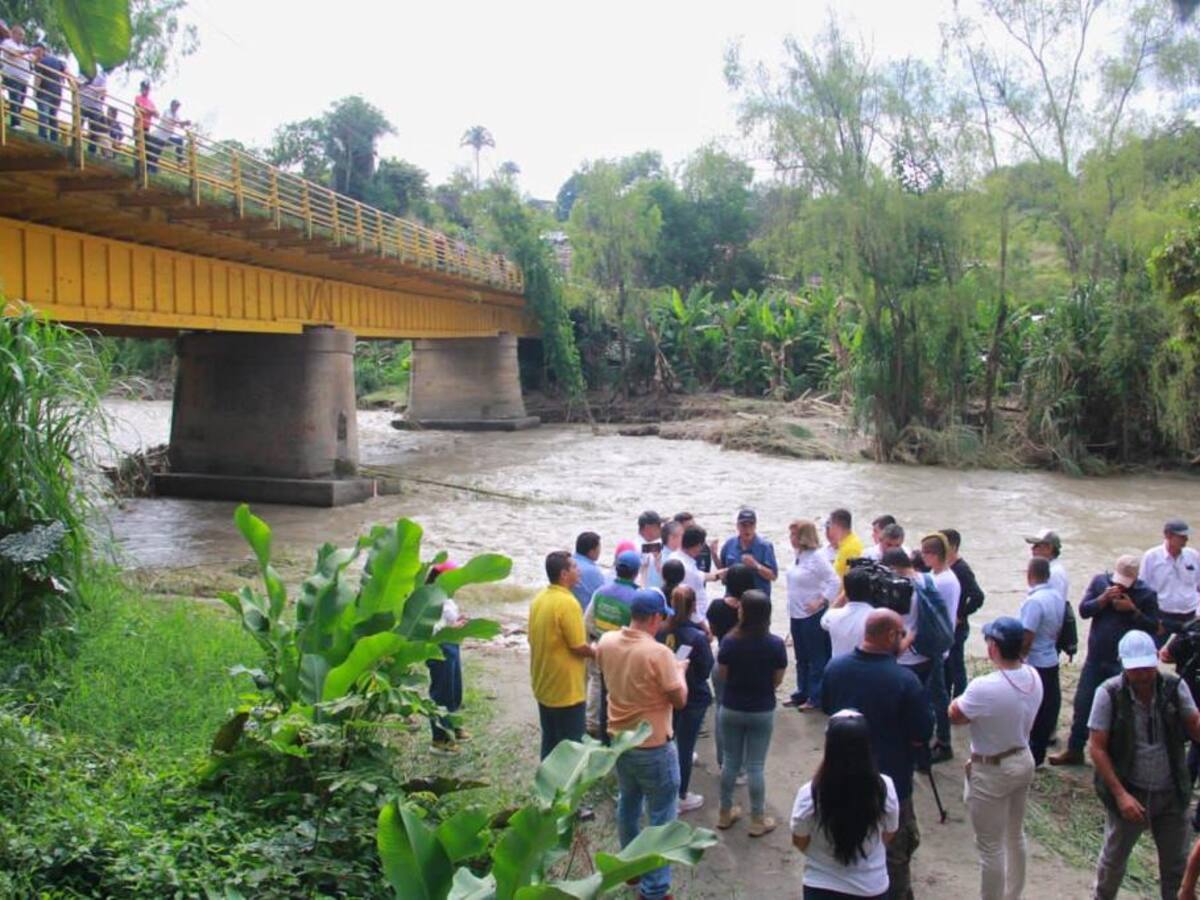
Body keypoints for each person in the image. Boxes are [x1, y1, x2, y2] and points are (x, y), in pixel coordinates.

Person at [823, 608, 933, 900]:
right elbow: (922, 732)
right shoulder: (905, 680)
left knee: (843, 839)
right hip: (892, 779)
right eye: (901, 634)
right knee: (895, 850)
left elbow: (827, 708)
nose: (904, 639)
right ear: (889, 636)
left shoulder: (835, 667)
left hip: (841, 774)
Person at [1089, 630, 1200, 899]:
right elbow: (1097, 748)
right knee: (1113, 863)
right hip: (1131, 792)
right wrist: (1120, 795)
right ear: (1124, 666)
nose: (1143, 675)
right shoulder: (1108, 694)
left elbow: (1194, 726)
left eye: (1148, 668)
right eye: (1136, 670)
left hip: (1171, 792)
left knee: (1175, 865)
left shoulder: (1174, 687)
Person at [596, 589, 688, 900]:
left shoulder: (606, 642)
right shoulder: (658, 653)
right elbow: (680, 699)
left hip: (620, 739)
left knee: (629, 804)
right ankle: (656, 889)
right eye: (662, 616)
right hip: (653, 744)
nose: (663, 622)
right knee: (662, 816)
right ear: (653, 618)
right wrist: (680, 671)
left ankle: (630, 870)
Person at [949, 616, 1042, 900]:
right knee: (1015, 834)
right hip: (1023, 757)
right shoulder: (1033, 675)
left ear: (994, 647)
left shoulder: (985, 686)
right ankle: (1013, 894)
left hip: (992, 767)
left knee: (990, 847)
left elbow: (956, 715)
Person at [1051, 555, 1159, 768]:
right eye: (1117, 581)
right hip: (1095, 658)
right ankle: (1075, 750)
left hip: (1123, 664)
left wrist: (1133, 611)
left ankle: (1116, 758)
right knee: (1083, 704)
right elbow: (1083, 610)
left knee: (1121, 711)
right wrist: (1102, 600)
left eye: (1125, 582)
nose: (1119, 586)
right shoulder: (1100, 582)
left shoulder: (1146, 594)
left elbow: (1154, 627)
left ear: (1136, 578)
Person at [791, 709, 900, 900]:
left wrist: (822, 855)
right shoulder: (884, 788)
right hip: (871, 887)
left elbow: (800, 839)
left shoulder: (810, 793)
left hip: (821, 886)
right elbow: (889, 833)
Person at [716, 589, 787, 836]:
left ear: (743, 612)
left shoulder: (729, 641)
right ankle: (757, 817)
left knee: (730, 761)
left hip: (732, 705)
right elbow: (777, 680)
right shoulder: (775, 644)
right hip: (761, 708)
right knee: (755, 765)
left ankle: (725, 811)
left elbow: (722, 674)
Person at [528, 551, 594, 760]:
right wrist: (598, 651)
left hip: (544, 683)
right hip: (566, 689)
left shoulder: (539, 599)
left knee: (550, 738)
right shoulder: (568, 603)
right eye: (574, 567)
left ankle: (546, 784)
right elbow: (577, 646)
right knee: (572, 742)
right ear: (564, 574)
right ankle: (566, 788)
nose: (579, 570)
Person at [658, 585, 714, 813]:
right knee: (686, 744)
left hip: (668, 694)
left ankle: (665, 784)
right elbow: (705, 670)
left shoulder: (660, 630)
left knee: (669, 737)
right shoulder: (697, 637)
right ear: (694, 607)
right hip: (693, 696)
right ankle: (680, 795)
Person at [785, 518, 840, 711]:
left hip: (812, 615)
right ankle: (802, 691)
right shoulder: (798, 555)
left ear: (803, 537)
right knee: (801, 657)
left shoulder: (817, 557)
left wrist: (822, 600)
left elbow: (834, 581)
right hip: (796, 613)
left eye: (794, 534)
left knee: (816, 657)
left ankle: (815, 696)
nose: (791, 538)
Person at [584, 549, 640, 739]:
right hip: (623, 652)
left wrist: (597, 637)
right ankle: (617, 726)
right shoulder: (636, 597)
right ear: (636, 572)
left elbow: (587, 620)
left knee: (597, 683)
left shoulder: (600, 592)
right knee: (620, 689)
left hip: (599, 646)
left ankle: (592, 723)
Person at [708, 563, 755, 772]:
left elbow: (712, 631)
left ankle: (723, 761)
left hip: (721, 658)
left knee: (721, 708)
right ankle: (742, 765)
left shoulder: (716, 606)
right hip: (747, 661)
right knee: (745, 711)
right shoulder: (754, 607)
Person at [918, 534, 961, 763]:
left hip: (935, 644)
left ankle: (943, 742)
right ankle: (938, 736)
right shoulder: (938, 575)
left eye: (924, 553)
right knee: (934, 693)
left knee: (936, 695)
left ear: (934, 555)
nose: (922, 557)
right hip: (938, 642)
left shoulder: (943, 581)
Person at [1018, 557, 1065, 766]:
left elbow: (1028, 635)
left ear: (1030, 575)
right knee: (1047, 707)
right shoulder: (1056, 596)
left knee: (1032, 710)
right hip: (1051, 658)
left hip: (1035, 662)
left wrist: (1018, 659)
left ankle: (1032, 756)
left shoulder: (1034, 602)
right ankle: (1038, 754)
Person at [426, 563, 470, 753]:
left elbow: (448, 619)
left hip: (452, 644)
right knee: (441, 692)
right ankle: (440, 739)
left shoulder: (447, 597)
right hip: (439, 646)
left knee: (454, 689)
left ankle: (453, 725)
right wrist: (449, 628)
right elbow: (426, 627)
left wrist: (459, 622)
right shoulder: (429, 598)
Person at [941, 528, 985, 699]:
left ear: (952, 546)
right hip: (947, 625)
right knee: (947, 667)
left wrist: (961, 615)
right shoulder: (946, 567)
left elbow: (978, 596)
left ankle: (960, 699)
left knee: (956, 666)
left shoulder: (961, 569)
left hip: (957, 627)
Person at [1139, 519, 1199, 641]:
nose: (1186, 539)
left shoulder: (1193, 556)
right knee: (1154, 651)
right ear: (1168, 535)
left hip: (1191, 615)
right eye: (1181, 536)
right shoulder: (1151, 557)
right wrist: (1151, 617)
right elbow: (1142, 588)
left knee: (1191, 655)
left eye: (1186, 536)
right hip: (1162, 616)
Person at [719, 507, 779, 597]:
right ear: (737, 526)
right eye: (744, 525)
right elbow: (722, 570)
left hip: (757, 601)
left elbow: (773, 576)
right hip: (732, 599)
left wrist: (756, 565)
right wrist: (714, 556)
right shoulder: (729, 544)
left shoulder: (765, 546)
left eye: (751, 525)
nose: (747, 529)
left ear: (755, 526)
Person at [822, 565, 877, 659]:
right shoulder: (877, 617)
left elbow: (825, 619)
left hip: (839, 670)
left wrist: (843, 594)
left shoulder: (832, 616)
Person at [678, 525, 723, 621]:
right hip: (694, 619)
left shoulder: (676, 556)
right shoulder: (687, 567)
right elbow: (709, 577)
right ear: (698, 545)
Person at [1025, 529, 1069, 609]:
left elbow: (1054, 607)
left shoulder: (1054, 573)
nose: (1032, 549)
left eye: (1037, 546)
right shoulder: (1050, 569)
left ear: (1049, 548)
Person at [1, 24, 33, 131]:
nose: (22, 37)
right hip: (13, 76)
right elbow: (14, 54)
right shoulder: (7, 43)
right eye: (20, 34)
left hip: (24, 79)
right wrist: (28, 51)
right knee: (15, 99)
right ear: (13, 33)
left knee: (21, 101)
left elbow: (30, 61)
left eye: (23, 35)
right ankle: (15, 123)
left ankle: (16, 122)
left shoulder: (23, 47)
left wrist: (38, 55)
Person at [31, 43, 65, 143]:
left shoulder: (41, 61)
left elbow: (38, 77)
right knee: (53, 116)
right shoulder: (58, 61)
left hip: (44, 91)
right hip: (57, 92)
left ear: (41, 51)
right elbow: (66, 72)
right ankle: (54, 139)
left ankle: (43, 137)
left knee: (43, 114)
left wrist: (34, 91)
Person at [571, 531, 604, 611]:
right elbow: (603, 596)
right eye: (599, 548)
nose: (600, 551)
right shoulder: (592, 571)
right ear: (591, 551)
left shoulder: (568, 563)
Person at [153, 98, 190, 166]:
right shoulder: (167, 111)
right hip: (160, 136)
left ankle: (180, 161)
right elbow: (172, 121)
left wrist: (185, 123)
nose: (177, 108)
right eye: (176, 106)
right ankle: (151, 168)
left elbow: (180, 125)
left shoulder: (176, 115)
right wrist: (182, 122)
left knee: (179, 141)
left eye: (178, 106)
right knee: (156, 153)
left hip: (168, 136)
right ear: (172, 105)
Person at [828, 508, 866, 576]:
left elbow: (852, 579)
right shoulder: (847, 542)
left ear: (836, 526)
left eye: (830, 524)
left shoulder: (850, 548)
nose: (830, 528)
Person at [80, 68, 109, 155]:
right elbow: (78, 83)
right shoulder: (84, 73)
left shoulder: (101, 75)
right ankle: (78, 145)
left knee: (94, 131)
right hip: (84, 103)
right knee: (79, 126)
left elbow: (104, 90)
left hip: (93, 106)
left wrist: (90, 88)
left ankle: (91, 151)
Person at [134, 79, 160, 173]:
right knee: (139, 148)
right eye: (144, 88)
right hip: (138, 126)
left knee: (148, 148)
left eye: (147, 88)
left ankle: (148, 169)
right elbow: (139, 108)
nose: (146, 90)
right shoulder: (138, 97)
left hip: (146, 127)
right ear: (141, 88)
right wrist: (151, 111)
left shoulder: (150, 102)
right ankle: (137, 169)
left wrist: (149, 111)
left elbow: (157, 114)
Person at [635, 510, 664, 591]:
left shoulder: (639, 543)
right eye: (658, 527)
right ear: (648, 528)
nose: (661, 530)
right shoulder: (642, 547)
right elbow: (663, 547)